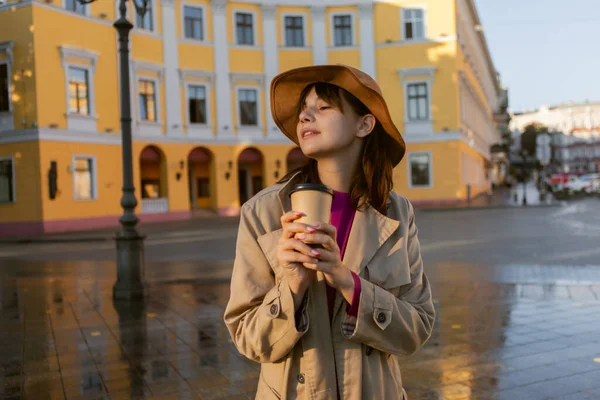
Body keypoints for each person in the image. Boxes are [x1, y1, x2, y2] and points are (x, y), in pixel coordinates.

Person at [224, 64, 435, 400]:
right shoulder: (262, 213)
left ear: (364, 124)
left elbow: (417, 327)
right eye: (303, 111)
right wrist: (292, 286)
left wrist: (348, 281)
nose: (305, 117)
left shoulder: (396, 212)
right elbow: (247, 338)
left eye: (322, 107)